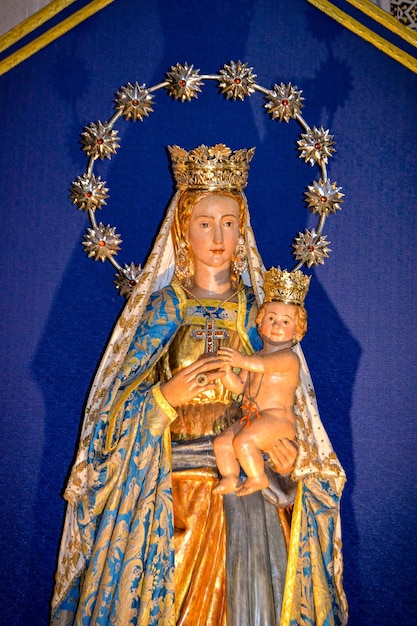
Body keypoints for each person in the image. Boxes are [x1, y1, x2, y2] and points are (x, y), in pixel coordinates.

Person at [51, 144, 348, 626]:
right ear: (181, 230)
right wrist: (166, 398)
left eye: (230, 222)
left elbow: (286, 397)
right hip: (173, 488)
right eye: (205, 222)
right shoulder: (164, 308)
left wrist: (290, 449)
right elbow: (111, 415)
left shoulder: (263, 316)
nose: (218, 235)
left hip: (247, 488)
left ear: (243, 229)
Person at [213, 268, 310, 497]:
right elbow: (239, 387)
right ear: (260, 322)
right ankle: (229, 477)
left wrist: (240, 360)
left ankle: (258, 477)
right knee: (223, 442)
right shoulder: (256, 356)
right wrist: (225, 370)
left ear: (297, 332)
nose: (276, 326)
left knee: (244, 442)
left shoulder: (288, 358)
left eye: (285, 322)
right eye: (271, 319)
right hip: (253, 417)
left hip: (276, 421)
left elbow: (264, 367)